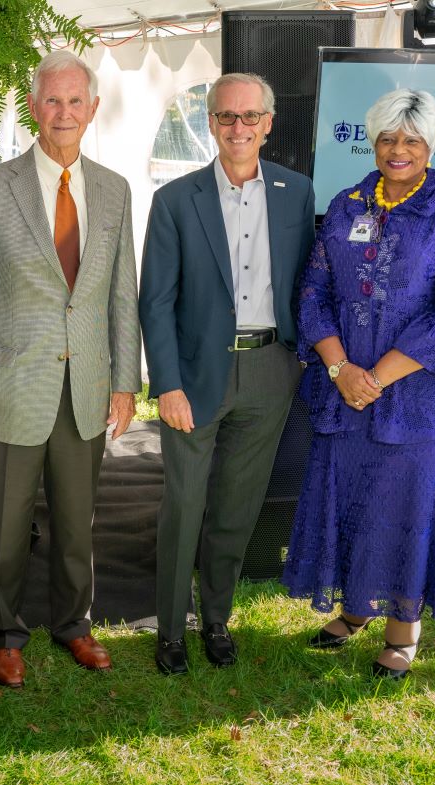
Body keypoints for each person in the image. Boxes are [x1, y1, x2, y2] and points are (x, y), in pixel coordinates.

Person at [0, 50, 141, 689]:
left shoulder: (114, 189)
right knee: (2, 524)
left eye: (74, 101)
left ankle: (74, 625)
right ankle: (3, 634)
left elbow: (121, 294)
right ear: (34, 107)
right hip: (7, 387)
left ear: (92, 109)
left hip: (85, 385)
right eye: (51, 100)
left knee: (78, 521)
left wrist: (123, 381)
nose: (63, 112)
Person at [281, 88, 435, 680]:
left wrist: (376, 376)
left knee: (405, 506)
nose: (399, 150)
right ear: (373, 141)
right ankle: (355, 608)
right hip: (344, 392)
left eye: (412, 140)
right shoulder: (347, 206)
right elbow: (314, 292)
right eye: (389, 138)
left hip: (418, 401)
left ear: (432, 146)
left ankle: (403, 628)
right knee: (351, 497)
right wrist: (341, 368)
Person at [139, 73, 314, 675]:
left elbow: (307, 283)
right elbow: (154, 301)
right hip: (194, 373)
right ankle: (168, 629)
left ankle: (216, 619)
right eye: (225, 117)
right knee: (184, 505)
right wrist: (166, 383)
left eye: (249, 117)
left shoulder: (297, 192)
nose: (237, 128)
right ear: (209, 123)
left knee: (238, 507)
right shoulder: (175, 199)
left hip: (270, 368)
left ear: (268, 123)